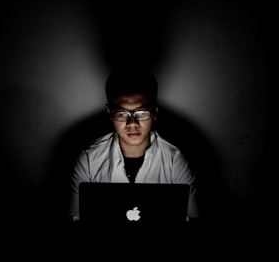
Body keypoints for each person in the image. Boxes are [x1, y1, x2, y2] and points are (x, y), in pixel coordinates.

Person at [66, 67, 200, 224]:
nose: (132, 124)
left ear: (155, 112)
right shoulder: (89, 159)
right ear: (110, 113)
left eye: (142, 113)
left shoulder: (174, 160)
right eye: (122, 113)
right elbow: (75, 219)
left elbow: (192, 220)